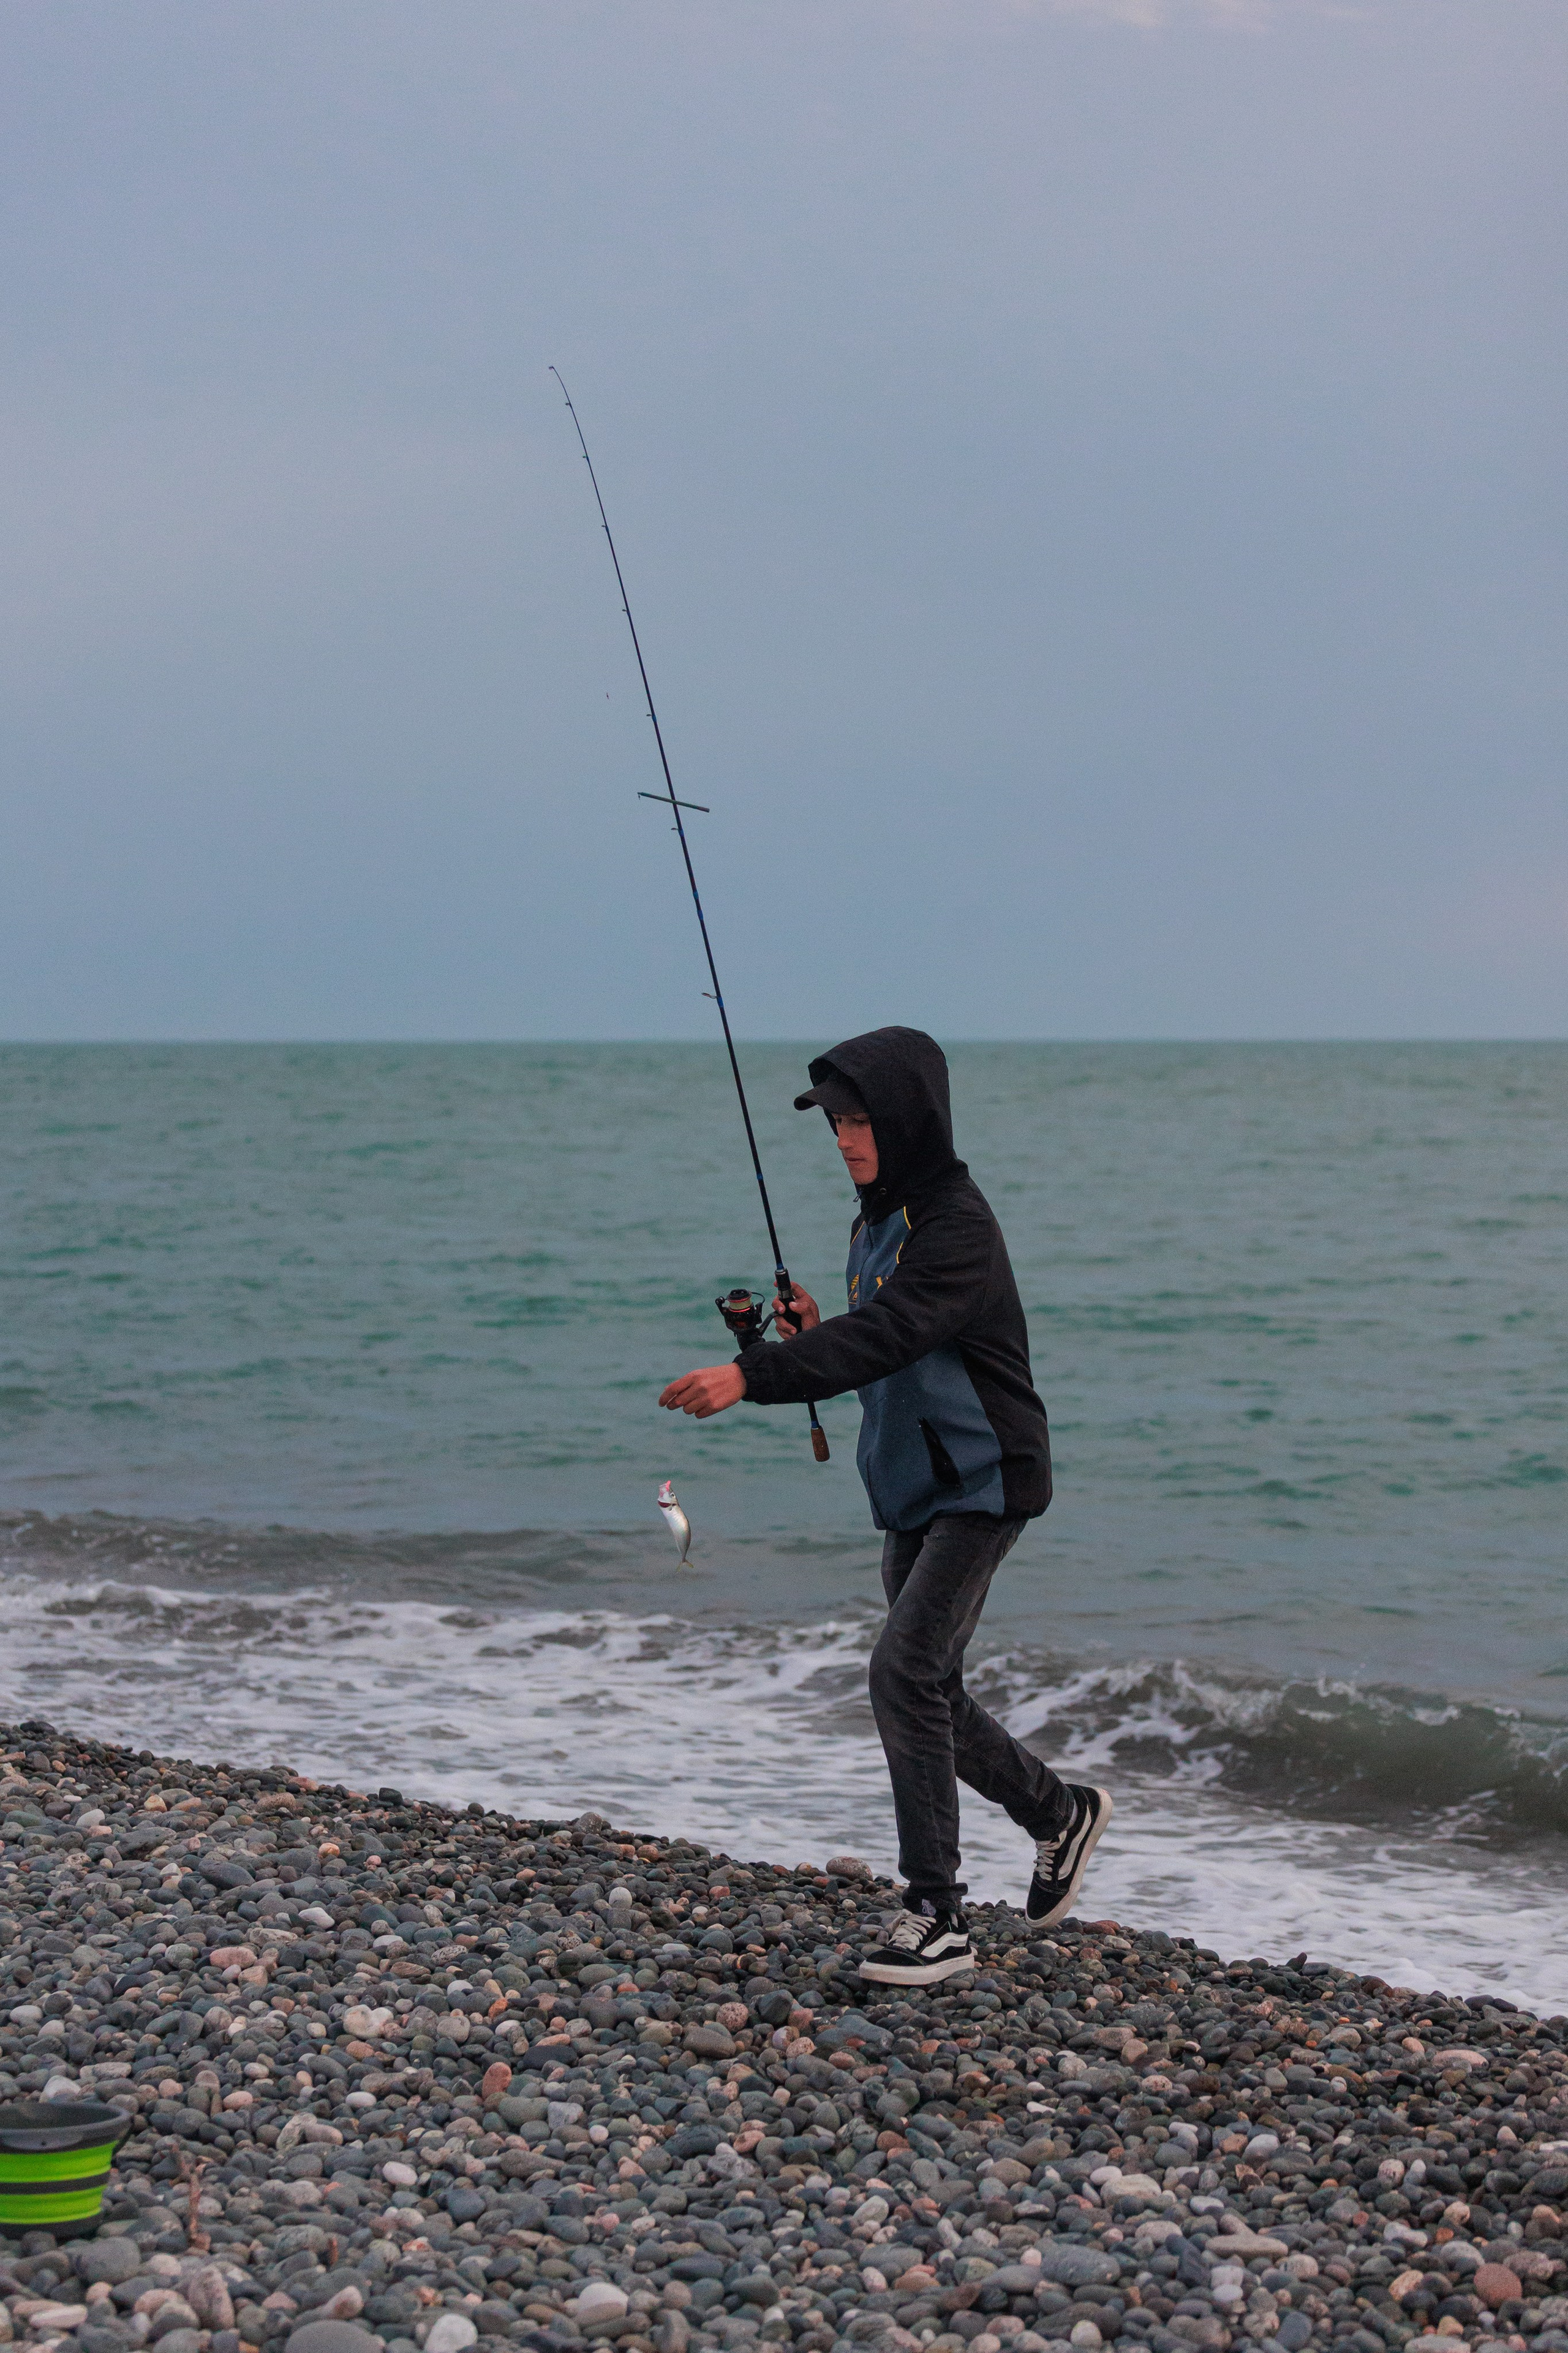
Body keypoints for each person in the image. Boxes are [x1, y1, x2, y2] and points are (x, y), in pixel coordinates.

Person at [658, 1025, 1110, 1987]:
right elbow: (883, 1348)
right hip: (913, 1481)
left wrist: (756, 1373)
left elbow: (899, 1331)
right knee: (930, 1686)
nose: (846, 1140)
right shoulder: (876, 1220)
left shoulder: (956, 1226)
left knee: (901, 1670)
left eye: (860, 1121)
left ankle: (937, 1916)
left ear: (907, 1119)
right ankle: (1058, 1814)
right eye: (835, 1125)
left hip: (986, 1482)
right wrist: (818, 1332)